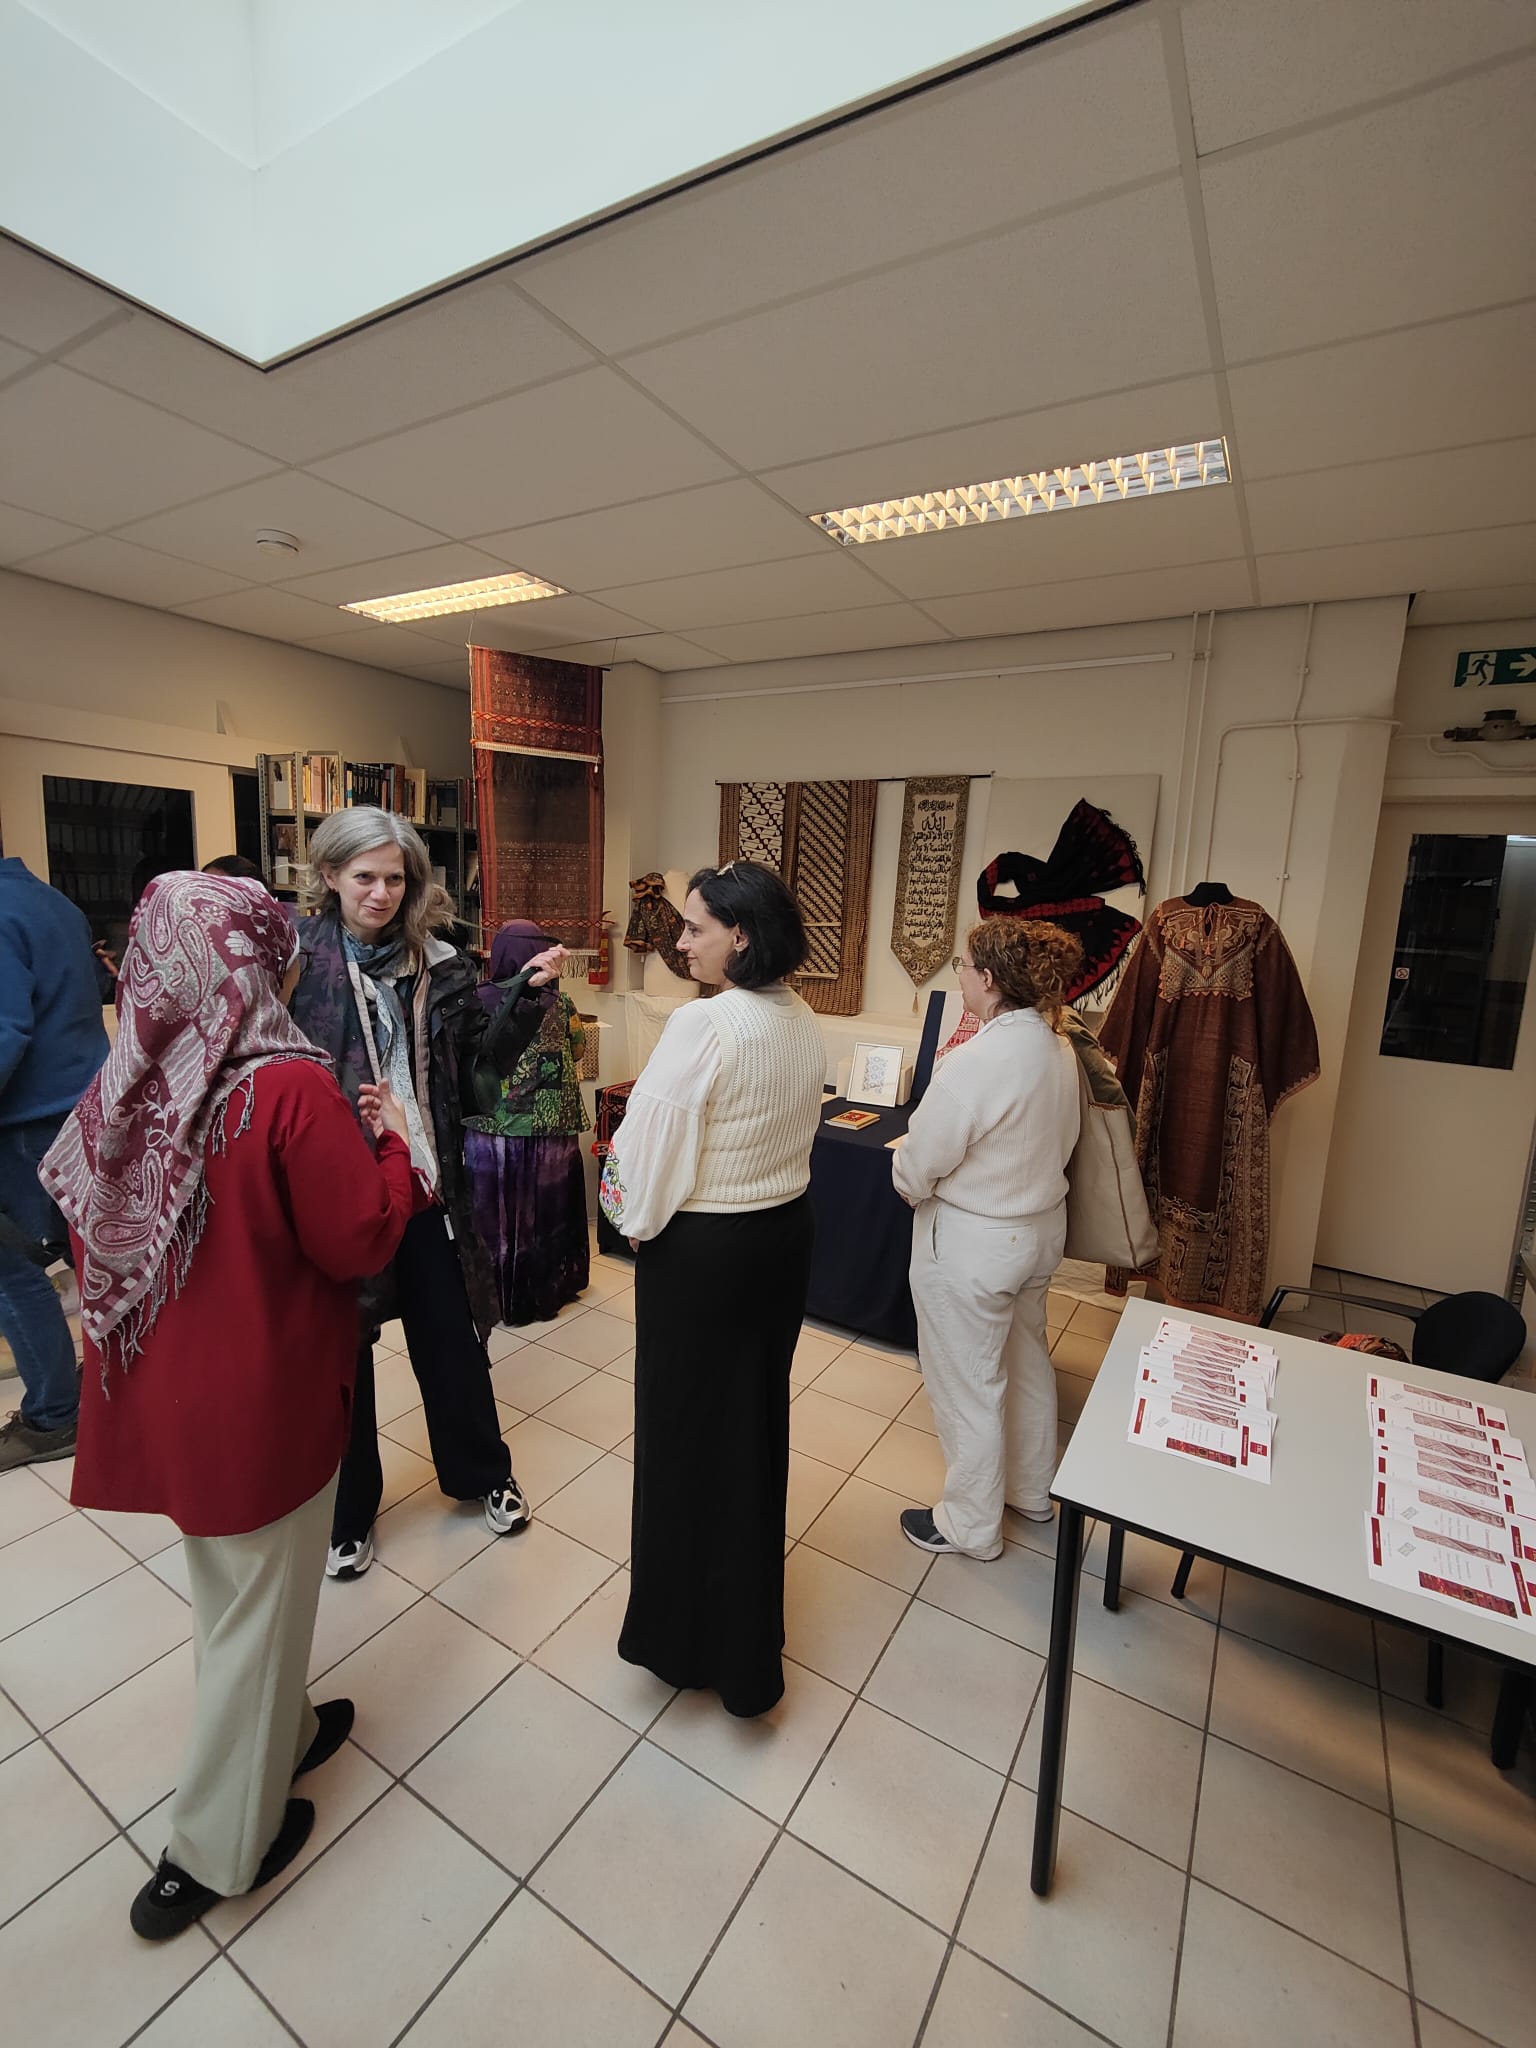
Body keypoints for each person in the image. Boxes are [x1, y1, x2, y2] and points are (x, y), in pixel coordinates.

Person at [39, 871, 427, 1939]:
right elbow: (358, 1238)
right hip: (266, 1402)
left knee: (234, 1594)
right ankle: (216, 1846)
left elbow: (87, 1224)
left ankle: (287, 1725)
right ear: (259, 961)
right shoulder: (288, 1089)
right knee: (256, 1605)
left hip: (168, 1395)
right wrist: (395, 1144)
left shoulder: (129, 1078)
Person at [289, 807, 562, 1578]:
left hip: (426, 1185)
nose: (379, 893)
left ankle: (483, 1474)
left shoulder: (438, 963)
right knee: (344, 1358)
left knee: (451, 1341)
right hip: (338, 1190)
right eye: (364, 877)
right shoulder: (296, 961)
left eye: (394, 878)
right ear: (330, 876)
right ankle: (347, 1514)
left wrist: (526, 998)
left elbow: (482, 1065)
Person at [600, 861, 825, 1717]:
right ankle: (742, 1642)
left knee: (687, 1440)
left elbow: (644, 1155)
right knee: (751, 1433)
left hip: (709, 1253)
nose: (679, 940)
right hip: (779, 1240)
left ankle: (686, 1641)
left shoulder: (709, 1025)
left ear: (741, 935)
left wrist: (632, 1223)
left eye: (693, 928)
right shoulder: (800, 1014)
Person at [892, 919, 1081, 1561]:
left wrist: (907, 1179)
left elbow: (921, 1160)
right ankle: (1032, 1491)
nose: (961, 975)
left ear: (990, 980)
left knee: (968, 1381)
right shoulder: (1060, 1049)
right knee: (1028, 1362)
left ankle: (969, 1524)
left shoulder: (977, 1060)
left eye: (963, 965)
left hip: (975, 1242)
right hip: (1039, 1231)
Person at [0, 853, 109, 1471]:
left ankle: (51, 1417)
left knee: (12, 1274)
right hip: (80, 1106)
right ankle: (117, 1387)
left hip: (23, 1121)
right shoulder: (52, 901)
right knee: (88, 1257)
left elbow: (4, 1032)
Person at [464, 919, 591, 1325]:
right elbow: (576, 1052)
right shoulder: (560, 1003)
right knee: (547, 1210)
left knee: (494, 1214)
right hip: (550, 1126)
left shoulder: (478, 998)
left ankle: (493, 1294)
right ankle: (545, 1289)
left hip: (492, 1126)